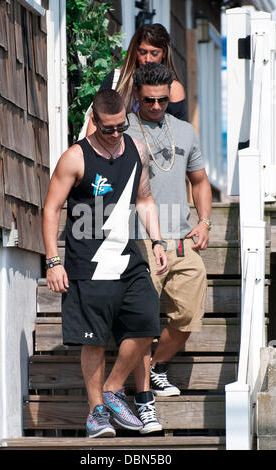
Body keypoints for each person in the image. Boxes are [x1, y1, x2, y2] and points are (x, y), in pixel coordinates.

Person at [42, 88, 168, 438]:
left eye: (121, 126)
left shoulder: (137, 151)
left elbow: (144, 199)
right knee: (93, 340)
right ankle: (96, 413)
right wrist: (54, 261)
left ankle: (113, 390)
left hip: (127, 258)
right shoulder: (75, 157)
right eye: (108, 128)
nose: (115, 134)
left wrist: (157, 240)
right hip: (87, 263)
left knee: (146, 320)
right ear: (93, 121)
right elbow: (51, 209)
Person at [125, 62, 212, 434]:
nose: (157, 107)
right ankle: (143, 400)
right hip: (139, 238)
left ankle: (157, 367)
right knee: (143, 322)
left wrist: (205, 221)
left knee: (190, 312)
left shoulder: (185, 131)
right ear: (137, 95)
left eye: (163, 100)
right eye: (149, 101)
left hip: (180, 239)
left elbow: (200, 180)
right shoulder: (121, 129)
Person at [84, 23, 186, 138]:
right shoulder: (118, 79)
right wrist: (90, 153)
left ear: (164, 53)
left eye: (154, 53)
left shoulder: (174, 88)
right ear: (135, 51)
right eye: (142, 52)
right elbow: (95, 119)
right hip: (118, 150)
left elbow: (179, 133)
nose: (148, 59)